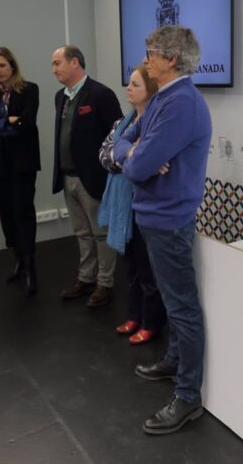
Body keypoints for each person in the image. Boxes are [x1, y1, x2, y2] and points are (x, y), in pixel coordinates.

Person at [111, 26, 212, 435]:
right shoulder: (164, 99)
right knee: (173, 302)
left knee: (182, 307)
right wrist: (136, 152)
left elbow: (133, 165)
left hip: (169, 220)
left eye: (151, 52)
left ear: (171, 59)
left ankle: (188, 396)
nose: (146, 58)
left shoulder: (181, 103)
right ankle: (173, 362)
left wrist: (137, 156)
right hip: (155, 215)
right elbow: (124, 143)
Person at [98, 65, 166, 345]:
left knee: (148, 272)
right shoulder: (121, 124)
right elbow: (104, 155)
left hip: (145, 207)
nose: (129, 88)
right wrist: (132, 155)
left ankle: (151, 322)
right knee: (131, 269)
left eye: (135, 84)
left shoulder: (158, 125)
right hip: (123, 206)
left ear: (150, 89)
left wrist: (128, 157)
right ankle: (133, 315)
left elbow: (149, 166)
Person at [51, 45, 123, 307]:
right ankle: (86, 278)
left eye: (58, 63)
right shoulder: (61, 97)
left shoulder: (101, 94)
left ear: (75, 63)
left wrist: (108, 173)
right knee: (82, 232)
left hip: (93, 178)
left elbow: (118, 134)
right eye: (53, 64)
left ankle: (105, 283)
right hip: (68, 176)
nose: (54, 69)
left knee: (101, 233)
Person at [0, 47, 41, 297]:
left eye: (2, 65)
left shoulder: (29, 89)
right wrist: (7, 122)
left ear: (12, 66)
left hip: (22, 163)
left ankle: (30, 266)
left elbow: (27, 124)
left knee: (22, 212)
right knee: (6, 213)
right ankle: (18, 260)